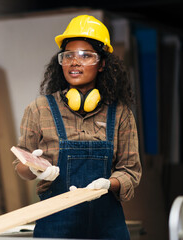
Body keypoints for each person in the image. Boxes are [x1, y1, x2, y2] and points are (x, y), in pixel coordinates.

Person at [14, 15, 142, 239]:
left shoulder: (121, 114)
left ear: (102, 63)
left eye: (85, 56)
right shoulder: (39, 109)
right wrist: (33, 168)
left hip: (107, 227)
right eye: (68, 55)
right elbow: (21, 167)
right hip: (55, 225)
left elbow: (130, 171)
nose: (75, 61)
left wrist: (107, 184)